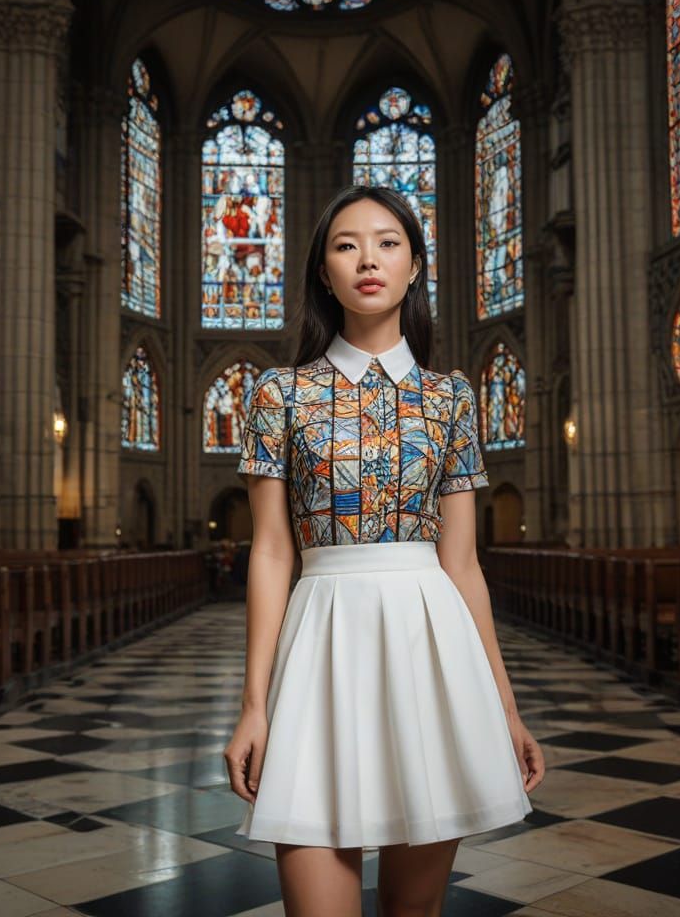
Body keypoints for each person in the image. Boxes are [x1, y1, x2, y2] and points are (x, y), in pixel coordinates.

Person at [224, 185, 544, 916]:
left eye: (388, 242)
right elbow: (272, 554)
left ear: (415, 267)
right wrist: (252, 705)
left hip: (431, 650)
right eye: (346, 245)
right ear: (324, 273)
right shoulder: (281, 394)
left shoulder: (452, 398)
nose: (368, 257)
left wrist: (507, 707)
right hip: (320, 645)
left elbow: (463, 565)